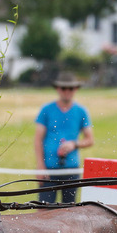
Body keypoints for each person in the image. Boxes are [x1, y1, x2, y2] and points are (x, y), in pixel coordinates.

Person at [34, 72, 94, 204]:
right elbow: (38, 139)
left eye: (71, 88)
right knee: (44, 211)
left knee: (69, 211)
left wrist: (74, 144)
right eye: (63, 88)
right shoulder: (46, 110)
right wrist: (40, 165)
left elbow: (90, 140)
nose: (67, 91)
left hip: (71, 169)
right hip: (48, 169)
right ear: (57, 89)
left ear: (76, 89)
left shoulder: (81, 111)